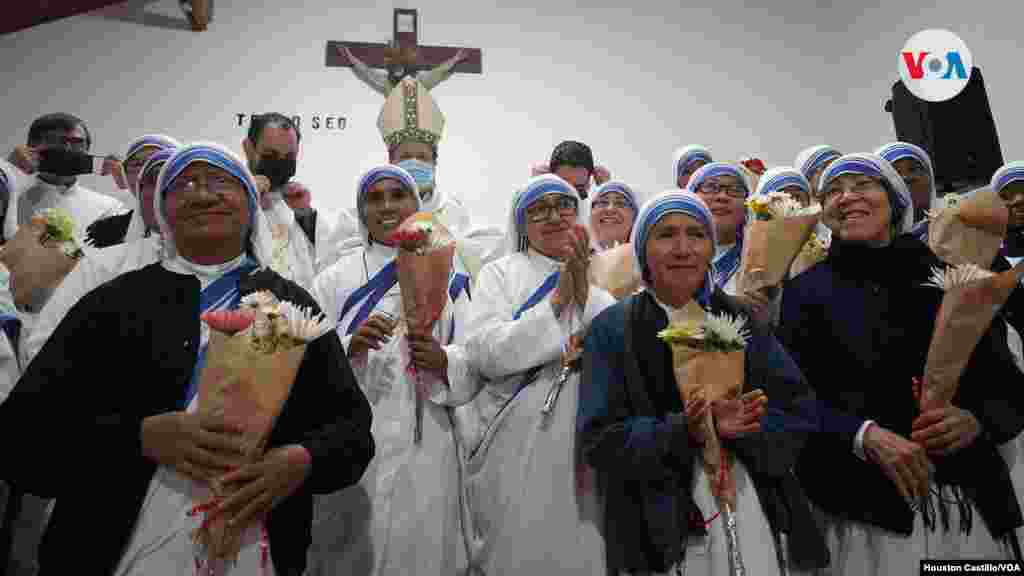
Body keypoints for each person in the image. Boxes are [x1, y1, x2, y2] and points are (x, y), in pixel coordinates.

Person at [0, 142, 375, 575]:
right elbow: (20, 437)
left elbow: (351, 432)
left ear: (250, 206)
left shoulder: (289, 307)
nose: (201, 194)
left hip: (257, 552)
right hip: (111, 554)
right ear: (162, 208)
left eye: (220, 181)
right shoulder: (112, 303)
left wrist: (301, 460)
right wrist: (136, 438)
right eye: (184, 185)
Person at [777, 153, 1024, 574]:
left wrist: (976, 419)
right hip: (869, 520)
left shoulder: (952, 277)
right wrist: (862, 434)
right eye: (834, 190)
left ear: (894, 200)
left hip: (967, 510)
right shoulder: (804, 292)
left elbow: (1009, 386)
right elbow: (791, 398)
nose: (847, 196)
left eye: (863, 185)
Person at [577, 191, 827, 575]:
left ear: (712, 247)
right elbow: (600, 440)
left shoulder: (740, 317)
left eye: (696, 234)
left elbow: (798, 411)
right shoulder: (613, 328)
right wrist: (687, 430)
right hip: (656, 525)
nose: (682, 249)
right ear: (642, 249)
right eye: (666, 235)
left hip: (751, 510)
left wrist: (746, 425)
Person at [306, 164, 474, 575]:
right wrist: (348, 345)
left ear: (416, 205)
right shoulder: (333, 279)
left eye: (397, 195)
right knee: (349, 544)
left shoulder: (451, 275)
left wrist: (444, 360)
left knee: (422, 545)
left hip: (428, 433)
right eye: (374, 198)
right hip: (353, 432)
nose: (386, 206)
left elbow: (475, 352)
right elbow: (304, 360)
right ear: (360, 211)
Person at [455, 173, 615, 574]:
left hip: (583, 439)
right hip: (511, 435)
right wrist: (558, 300)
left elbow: (618, 358)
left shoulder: (604, 282)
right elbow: (485, 353)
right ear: (522, 224)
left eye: (563, 205)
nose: (554, 216)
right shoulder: (499, 274)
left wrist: (584, 303)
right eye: (539, 209)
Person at [22, 146, 178, 369]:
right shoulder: (102, 259)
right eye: (150, 178)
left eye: (173, 180)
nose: (162, 191)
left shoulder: (229, 264)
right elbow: (46, 344)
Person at [3, 113, 124, 246]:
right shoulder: (9, 201)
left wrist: (134, 181)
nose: (67, 149)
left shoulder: (109, 208)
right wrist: (8, 170)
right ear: (31, 147)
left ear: (87, 150)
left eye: (77, 143)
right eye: (57, 141)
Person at [243, 112, 317, 289]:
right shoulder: (230, 198)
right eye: (270, 154)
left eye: (289, 156)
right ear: (248, 148)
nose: (280, 163)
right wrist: (245, 197)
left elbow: (327, 266)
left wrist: (306, 217)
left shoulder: (299, 201)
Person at [84, 134, 180, 248]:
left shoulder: (201, 221)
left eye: (158, 162)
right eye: (137, 164)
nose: (144, 171)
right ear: (125, 175)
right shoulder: (103, 232)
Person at [687, 162, 750, 295]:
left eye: (735, 190)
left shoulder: (755, 261)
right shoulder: (668, 256)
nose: (722, 197)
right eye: (710, 186)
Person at [875, 141, 937, 241]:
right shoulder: (873, 241)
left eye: (913, 169)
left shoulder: (956, 224)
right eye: (895, 173)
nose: (907, 178)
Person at [590, 180, 639, 251]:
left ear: (635, 217)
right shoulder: (573, 256)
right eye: (603, 202)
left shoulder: (643, 260)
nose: (610, 209)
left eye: (620, 203)